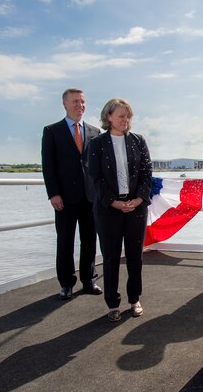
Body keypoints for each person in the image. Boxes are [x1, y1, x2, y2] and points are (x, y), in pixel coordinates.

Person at [87, 98, 152, 322]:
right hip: (108, 210)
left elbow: (147, 174)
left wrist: (138, 199)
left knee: (135, 257)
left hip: (136, 208)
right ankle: (112, 303)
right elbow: (95, 177)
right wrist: (113, 202)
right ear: (109, 117)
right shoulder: (96, 144)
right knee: (111, 257)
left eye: (128, 116)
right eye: (121, 116)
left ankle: (134, 299)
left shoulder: (139, 141)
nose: (125, 120)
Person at [41, 88, 102, 300]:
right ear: (64, 104)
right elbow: (48, 166)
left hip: (90, 196)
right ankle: (66, 283)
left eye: (83, 102)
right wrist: (53, 193)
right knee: (65, 240)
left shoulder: (95, 132)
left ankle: (89, 280)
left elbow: (99, 166)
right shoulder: (52, 131)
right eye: (75, 101)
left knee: (89, 240)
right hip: (64, 197)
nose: (80, 105)